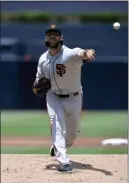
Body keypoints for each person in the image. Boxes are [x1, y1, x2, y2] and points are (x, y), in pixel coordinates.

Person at [33, 24, 95, 173]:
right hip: (53, 97)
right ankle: (64, 162)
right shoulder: (42, 59)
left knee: (72, 136)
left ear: (61, 37)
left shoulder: (69, 54)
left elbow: (81, 53)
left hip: (74, 98)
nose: (52, 36)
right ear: (46, 38)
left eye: (55, 34)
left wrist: (88, 52)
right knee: (57, 125)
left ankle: (57, 147)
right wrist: (36, 87)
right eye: (49, 34)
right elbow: (38, 81)